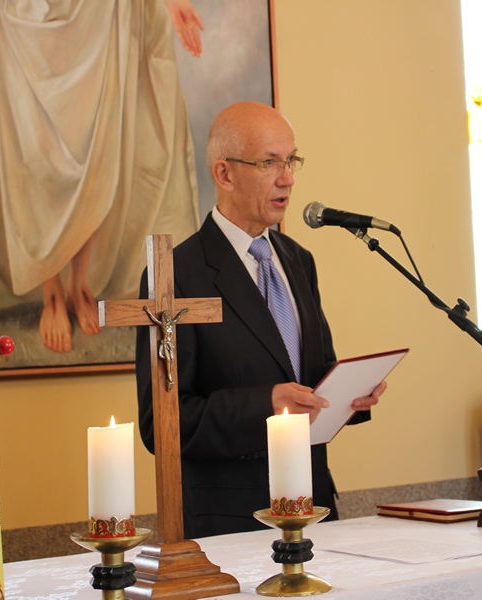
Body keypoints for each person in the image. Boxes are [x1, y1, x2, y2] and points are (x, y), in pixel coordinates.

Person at [0, 0, 203, 353]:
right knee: (30, 149)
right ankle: (51, 289)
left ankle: (78, 282)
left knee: (94, 145)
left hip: (96, 12)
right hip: (21, 11)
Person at [136, 101, 386, 538]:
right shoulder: (176, 274)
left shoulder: (298, 260)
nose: (287, 178)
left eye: (291, 160)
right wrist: (264, 406)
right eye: (270, 162)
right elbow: (163, 424)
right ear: (224, 174)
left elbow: (310, 377)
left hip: (313, 509)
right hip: (231, 523)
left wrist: (349, 394)